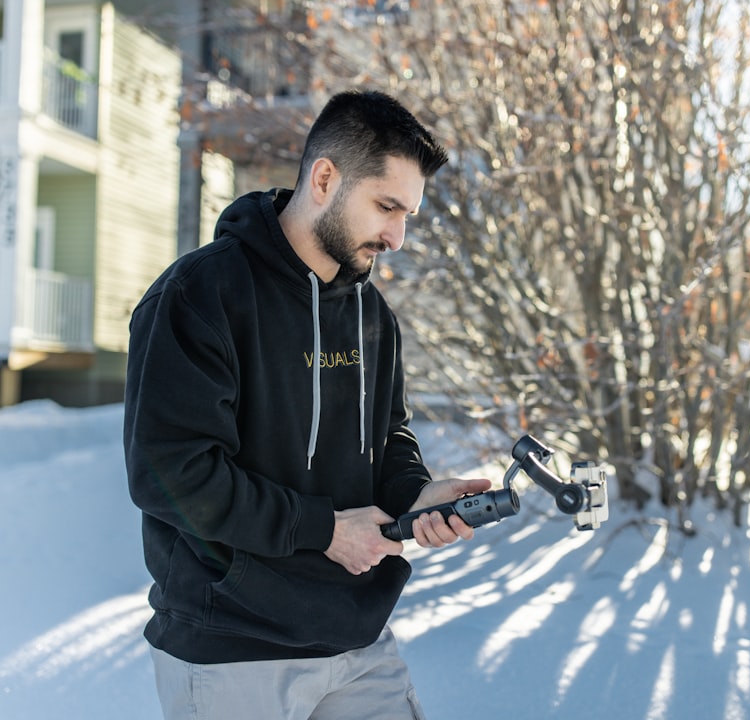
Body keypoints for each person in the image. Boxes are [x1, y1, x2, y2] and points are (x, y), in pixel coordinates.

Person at [123, 89, 492, 719]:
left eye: (408, 214)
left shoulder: (372, 315)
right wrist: (321, 529)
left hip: (357, 640)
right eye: (387, 207)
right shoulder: (201, 295)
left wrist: (416, 497)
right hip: (231, 649)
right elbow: (174, 477)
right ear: (325, 178)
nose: (398, 237)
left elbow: (387, 438)